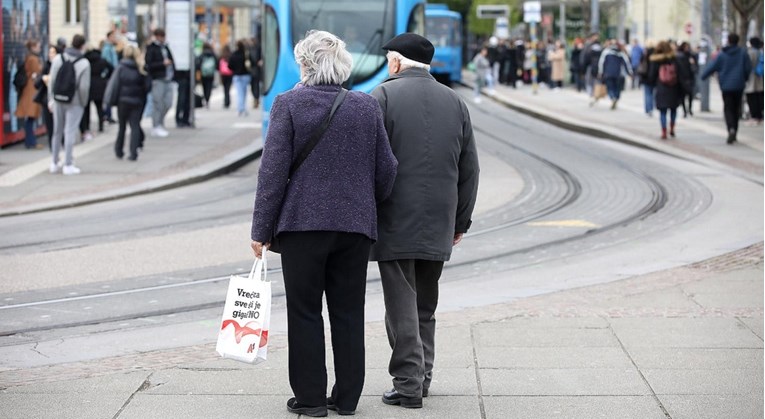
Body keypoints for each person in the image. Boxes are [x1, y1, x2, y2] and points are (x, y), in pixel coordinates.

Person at [250, 30, 397, 417]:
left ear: (305, 64)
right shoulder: (366, 106)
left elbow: (272, 173)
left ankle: (312, 401)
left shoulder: (288, 104)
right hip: (354, 227)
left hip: (302, 228)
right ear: (343, 65)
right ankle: (347, 399)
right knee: (348, 313)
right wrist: (364, 203)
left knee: (304, 312)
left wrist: (260, 230)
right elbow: (388, 170)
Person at [370, 33, 480, 410]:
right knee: (425, 304)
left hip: (395, 217)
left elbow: (369, 163)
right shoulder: (456, 102)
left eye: (389, 60)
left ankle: (408, 385)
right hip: (440, 218)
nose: (388, 66)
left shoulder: (382, 97)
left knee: (400, 304)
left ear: (397, 63)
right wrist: (460, 220)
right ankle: (423, 376)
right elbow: (470, 168)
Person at [49, 34, 91, 175]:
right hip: (75, 102)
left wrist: (51, 99)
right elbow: (84, 87)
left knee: (57, 131)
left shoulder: (58, 59)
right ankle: (68, 164)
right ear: (82, 45)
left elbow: (52, 81)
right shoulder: (84, 63)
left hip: (58, 99)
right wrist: (83, 103)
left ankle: (54, 163)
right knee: (70, 132)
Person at [701, 33, 753, 144]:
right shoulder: (743, 53)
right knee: (736, 108)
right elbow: (748, 68)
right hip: (739, 85)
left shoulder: (722, 54)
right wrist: (745, 78)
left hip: (726, 86)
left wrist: (703, 76)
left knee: (728, 108)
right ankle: (735, 130)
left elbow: (712, 66)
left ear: (728, 40)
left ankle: (731, 129)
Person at [110, 45, 151, 161]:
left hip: (122, 101)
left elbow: (115, 85)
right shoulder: (141, 68)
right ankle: (133, 153)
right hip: (137, 101)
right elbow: (148, 86)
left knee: (122, 127)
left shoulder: (121, 67)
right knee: (135, 126)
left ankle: (119, 150)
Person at [648, 40, 686, 139]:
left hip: (661, 88)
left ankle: (664, 131)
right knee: (673, 109)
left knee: (663, 111)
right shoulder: (675, 59)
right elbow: (681, 73)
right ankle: (672, 128)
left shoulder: (655, 60)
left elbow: (651, 76)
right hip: (674, 87)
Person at [144, 28, 175, 137]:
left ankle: (160, 123)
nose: (162, 38)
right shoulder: (152, 48)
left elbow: (172, 61)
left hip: (168, 78)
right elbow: (148, 65)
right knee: (157, 103)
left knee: (168, 103)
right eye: (161, 36)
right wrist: (162, 64)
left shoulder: (166, 47)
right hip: (158, 79)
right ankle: (156, 125)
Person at [15, 39, 43, 149]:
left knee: (30, 118)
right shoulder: (33, 59)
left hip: (30, 88)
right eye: (38, 46)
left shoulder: (29, 58)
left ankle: (30, 141)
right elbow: (37, 71)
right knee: (30, 117)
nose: (40, 48)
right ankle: (31, 141)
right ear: (33, 47)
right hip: (32, 89)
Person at [80, 45, 113, 138]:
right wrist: (105, 77)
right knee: (99, 108)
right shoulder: (101, 60)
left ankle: (86, 127)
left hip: (88, 85)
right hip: (99, 85)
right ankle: (101, 126)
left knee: (86, 109)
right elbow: (111, 68)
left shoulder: (85, 61)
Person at [34, 45, 59, 149]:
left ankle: (59, 144)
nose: (51, 55)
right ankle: (52, 147)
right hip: (47, 100)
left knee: (59, 124)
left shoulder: (61, 66)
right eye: (50, 52)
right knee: (50, 125)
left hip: (58, 99)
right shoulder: (46, 66)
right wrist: (43, 78)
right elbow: (37, 84)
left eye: (53, 52)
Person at [598, 40, 633, 109]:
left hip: (608, 73)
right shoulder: (621, 53)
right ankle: (616, 98)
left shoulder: (606, 52)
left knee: (610, 87)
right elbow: (627, 64)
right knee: (617, 88)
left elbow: (601, 63)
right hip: (618, 74)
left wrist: (600, 72)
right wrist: (630, 73)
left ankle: (612, 97)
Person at [228, 39, 252, 116]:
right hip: (245, 75)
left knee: (239, 93)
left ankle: (240, 109)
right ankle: (242, 108)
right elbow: (252, 63)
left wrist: (235, 70)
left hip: (236, 76)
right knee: (244, 93)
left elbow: (229, 65)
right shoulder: (245, 54)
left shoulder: (233, 55)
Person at [676, 42, 698, 117]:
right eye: (685, 47)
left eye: (687, 47)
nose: (687, 48)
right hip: (682, 78)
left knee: (690, 95)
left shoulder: (691, 56)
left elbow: (695, 67)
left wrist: (692, 63)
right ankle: (685, 111)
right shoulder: (679, 56)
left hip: (690, 78)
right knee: (683, 96)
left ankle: (689, 109)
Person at [101, 30, 119, 123]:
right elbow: (106, 62)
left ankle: (108, 114)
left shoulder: (111, 47)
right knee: (108, 94)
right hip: (109, 75)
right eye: (113, 37)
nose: (114, 38)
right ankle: (107, 115)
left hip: (112, 73)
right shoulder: (107, 48)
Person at [745, 37, 763, 124]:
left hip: (751, 79)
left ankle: (754, 117)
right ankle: (760, 116)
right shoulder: (761, 52)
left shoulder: (750, 52)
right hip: (760, 78)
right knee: (759, 98)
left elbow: (747, 65)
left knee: (751, 99)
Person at [196, 42, 217, 108]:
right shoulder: (212, 54)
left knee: (204, 87)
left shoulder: (202, 54)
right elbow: (217, 61)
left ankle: (205, 97)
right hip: (211, 73)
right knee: (209, 86)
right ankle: (208, 99)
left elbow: (198, 63)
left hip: (203, 73)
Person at [639, 42, 656, 116]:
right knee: (652, 94)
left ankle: (648, 109)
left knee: (647, 93)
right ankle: (651, 108)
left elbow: (640, 64)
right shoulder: (656, 55)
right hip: (653, 77)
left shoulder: (645, 54)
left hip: (645, 77)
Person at [218, 45, 234, 109]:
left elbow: (218, 65)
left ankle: (226, 101)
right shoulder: (231, 55)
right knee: (228, 88)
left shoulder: (222, 56)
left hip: (223, 74)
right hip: (230, 74)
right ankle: (228, 101)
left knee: (225, 88)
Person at [249, 37, 263, 108]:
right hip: (253, 70)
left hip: (255, 70)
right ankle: (256, 99)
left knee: (255, 85)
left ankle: (256, 99)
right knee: (254, 86)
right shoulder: (249, 49)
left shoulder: (257, 48)